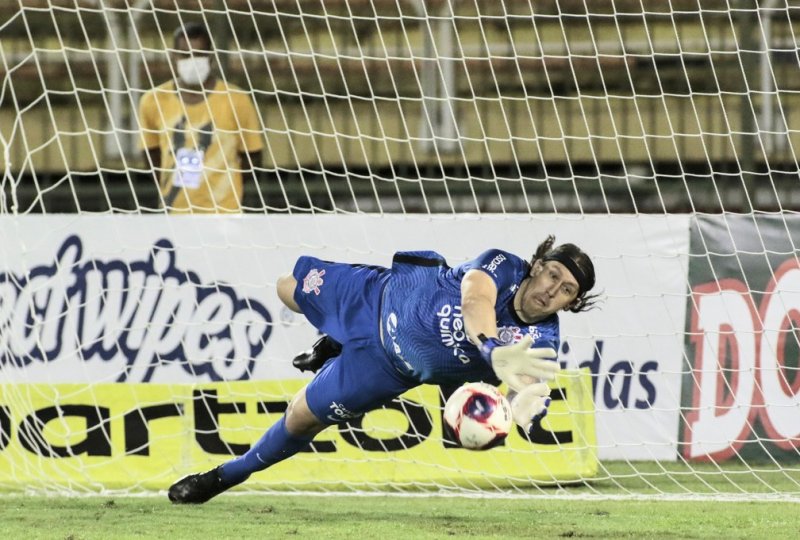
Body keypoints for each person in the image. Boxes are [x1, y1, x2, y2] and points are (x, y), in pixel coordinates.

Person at [168, 235, 598, 503]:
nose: (552, 291)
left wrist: (520, 408)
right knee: (288, 287)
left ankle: (224, 476)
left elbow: (527, 389)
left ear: (571, 303)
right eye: (552, 275)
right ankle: (335, 339)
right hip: (376, 297)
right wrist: (490, 346)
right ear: (537, 266)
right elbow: (475, 301)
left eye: (566, 290)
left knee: (300, 418)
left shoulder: (542, 341)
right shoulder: (502, 265)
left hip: (388, 369)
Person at [138, 22, 263, 213]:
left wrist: (223, 186)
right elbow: (151, 156)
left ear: (210, 57)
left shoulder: (237, 100)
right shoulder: (152, 101)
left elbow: (253, 158)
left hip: (224, 214)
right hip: (175, 214)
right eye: (185, 55)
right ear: (173, 57)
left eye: (198, 55)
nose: (192, 61)